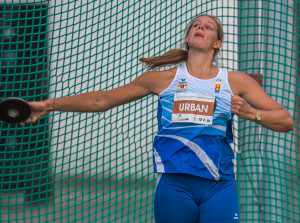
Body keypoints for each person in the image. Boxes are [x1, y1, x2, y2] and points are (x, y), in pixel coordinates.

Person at [21, 14, 294, 223]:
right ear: (188, 38)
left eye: (208, 27)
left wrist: (250, 114)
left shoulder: (235, 81)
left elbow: (285, 120)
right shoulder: (162, 79)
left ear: (217, 43)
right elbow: (100, 100)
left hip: (219, 185)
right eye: (195, 25)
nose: (200, 28)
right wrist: (48, 105)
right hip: (174, 184)